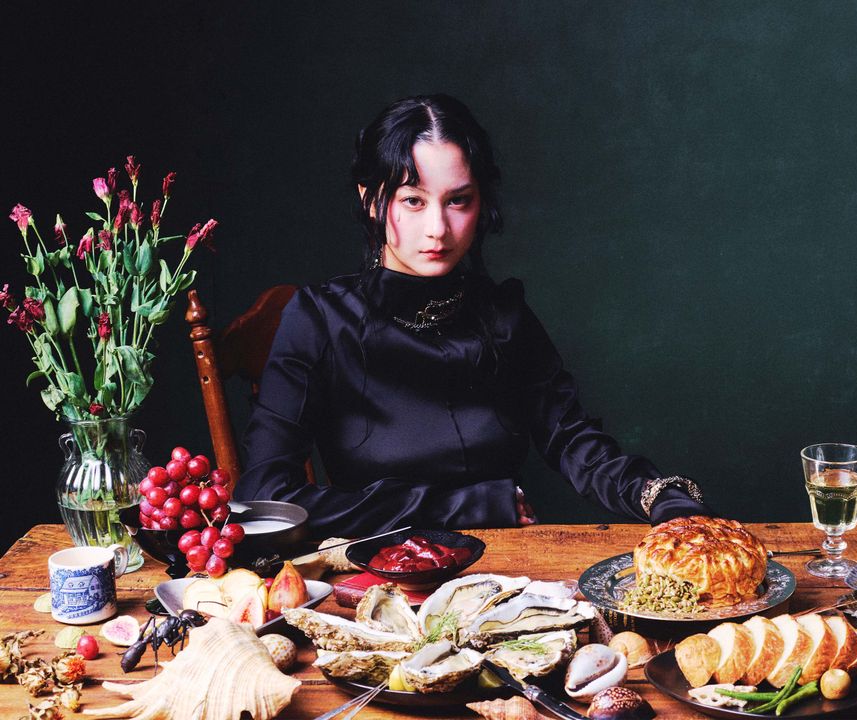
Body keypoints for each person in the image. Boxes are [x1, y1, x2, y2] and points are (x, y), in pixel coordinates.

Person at [234, 94, 711, 537]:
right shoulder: (319, 319)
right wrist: (458, 507)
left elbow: (572, 441)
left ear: (481, 203)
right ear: (370, 200)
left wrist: (658, 497)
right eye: (413, 200)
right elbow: (265, 500)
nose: (437, 229)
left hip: (510, 573)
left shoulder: (500, 313)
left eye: (458, 200)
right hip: (376, 579)